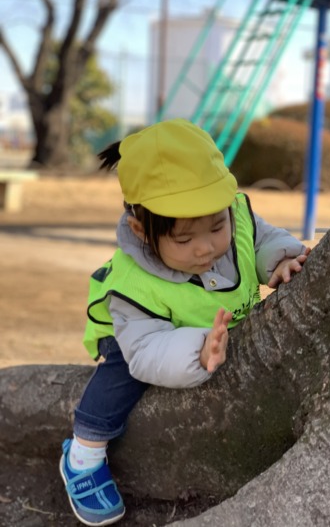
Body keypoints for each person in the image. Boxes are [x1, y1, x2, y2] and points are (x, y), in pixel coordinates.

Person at [59, 118, 310, 526]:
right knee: (123, 372)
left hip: (211, 324)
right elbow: (146, 351)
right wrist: (197, 350)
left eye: (217, 226)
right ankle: (83, 455)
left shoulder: (237, 216)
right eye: (184, 239)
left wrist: (281, 260)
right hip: (139, 334)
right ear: (142, 230)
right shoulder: (133, 287)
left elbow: (261, 238)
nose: (206, 247)